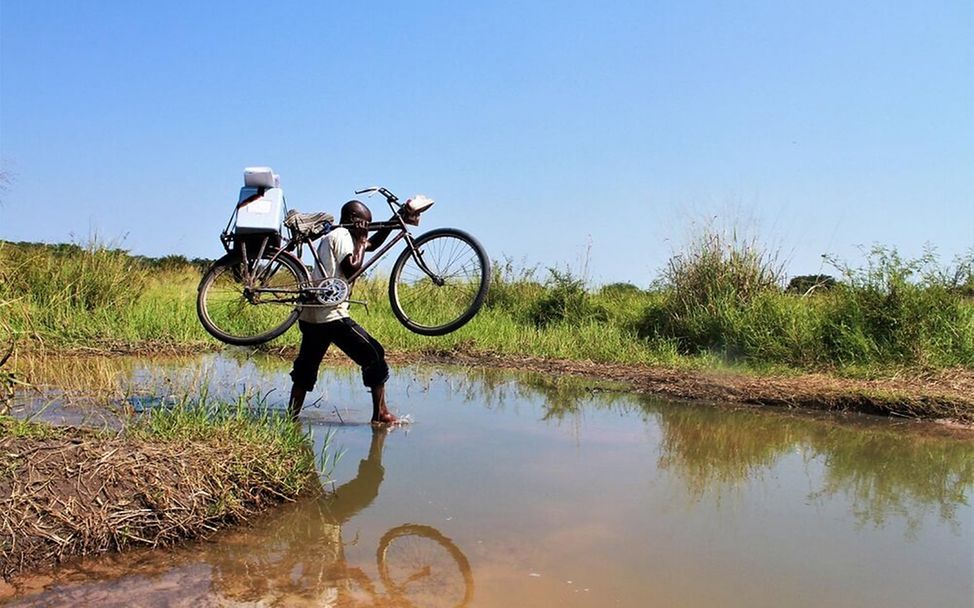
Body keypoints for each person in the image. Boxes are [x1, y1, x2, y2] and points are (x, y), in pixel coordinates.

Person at [288, 199, 416, 424]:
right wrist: (361, 239)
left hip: (312, 314)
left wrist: (396, 218)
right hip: (331, 315)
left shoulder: (341, 237)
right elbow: (351, 267)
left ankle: (292, 416)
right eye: (363, 223)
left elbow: (372, 244)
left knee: (306, 366)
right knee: (374, 354)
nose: (365, 228)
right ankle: (380, 414)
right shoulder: (341, 236)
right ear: (351, 221)